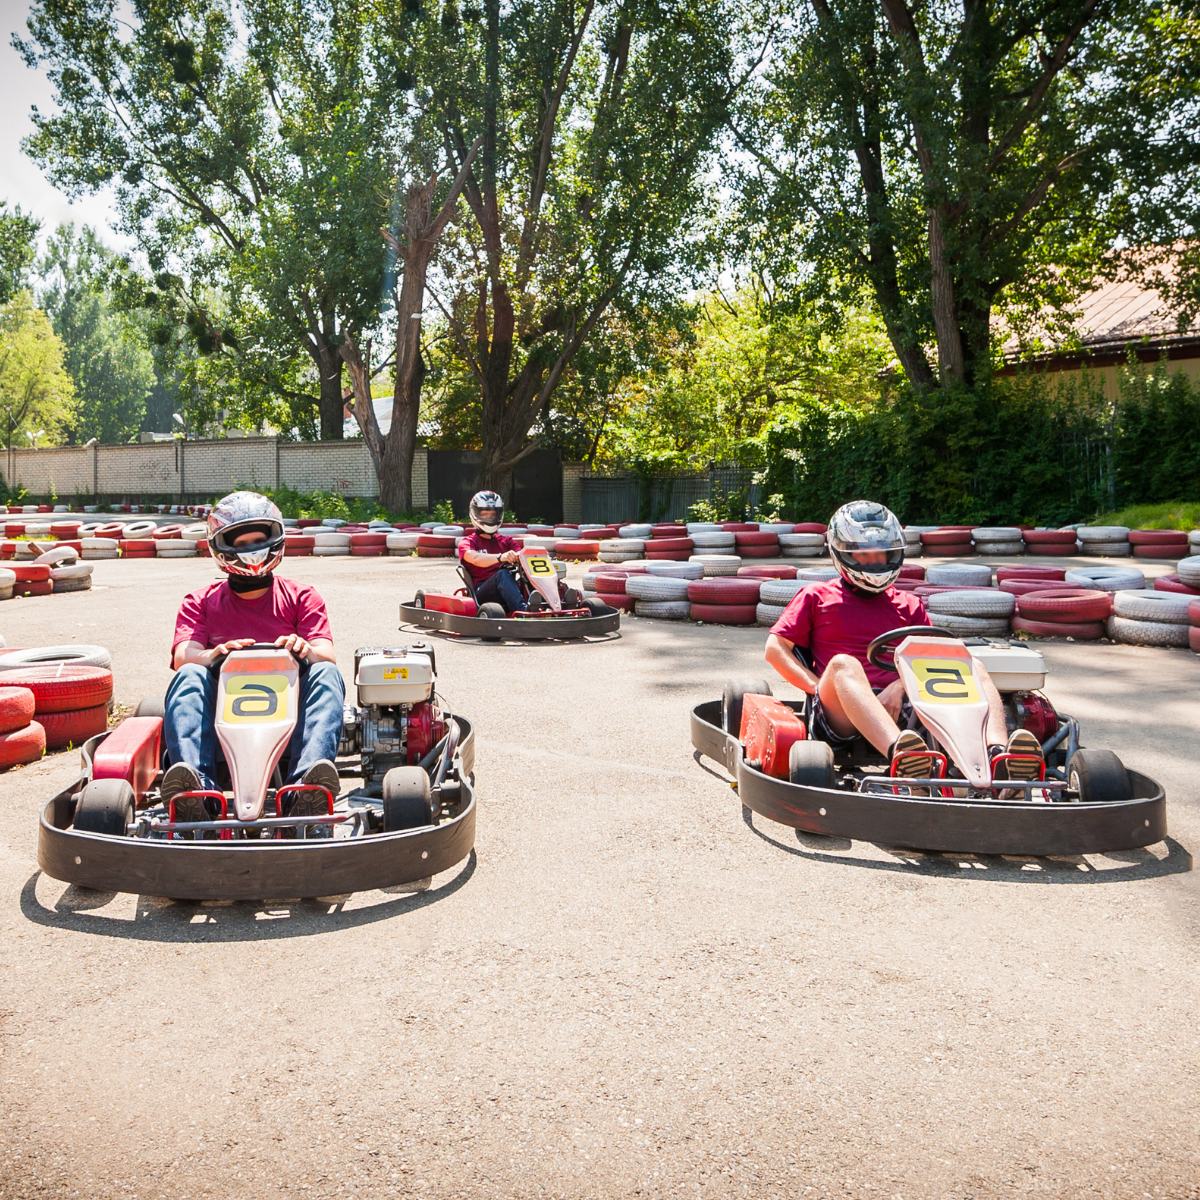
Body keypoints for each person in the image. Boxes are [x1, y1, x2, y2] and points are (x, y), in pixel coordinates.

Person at [764, 500, 1042, 785]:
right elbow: (775, 650)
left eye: (882, 554)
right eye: (864, 555)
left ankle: (996, 755)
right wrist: (816, 688)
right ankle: (903, 756)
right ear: (842, 553)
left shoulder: (909, 605)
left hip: (906, 705)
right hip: (839, 713)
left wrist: (898, 687)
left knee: (973, 665)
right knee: (843, 664)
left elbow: (935, 661)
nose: (875, 562)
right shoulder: (817, 596)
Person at [162, 491, 346, 823]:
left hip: (290, 723)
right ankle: (197, 794)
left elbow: (326, 653)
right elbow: (182, 656)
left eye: (257, 540)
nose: (250, 550)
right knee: (189, 675)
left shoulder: (302, 596)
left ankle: (306, 790)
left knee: (326, 673)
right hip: (224, 722)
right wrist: (214, 654)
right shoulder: (200, 601)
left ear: (275, 539)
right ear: (221, 547)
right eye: (240, 542)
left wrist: (303, 650)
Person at [457, 489, 528, 613]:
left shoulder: (506, 541)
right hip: (482, 594)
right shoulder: (468, 542)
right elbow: (474, 558)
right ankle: (523, 611)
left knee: (528, 576)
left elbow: (522, 555)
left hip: (508, 589)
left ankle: (555, 602)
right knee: (502, 574)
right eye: (485, 514)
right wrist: (501, 557)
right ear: (475, 515)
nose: (490, 518)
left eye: (493, 514)